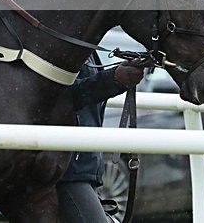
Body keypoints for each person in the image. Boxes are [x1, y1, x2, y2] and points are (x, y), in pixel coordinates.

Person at [57, 54, 145, 222]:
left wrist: (116, 77)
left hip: (82, 168)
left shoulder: (89, 48)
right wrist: (114, 80)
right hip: (67, 171)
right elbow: (57, 94)